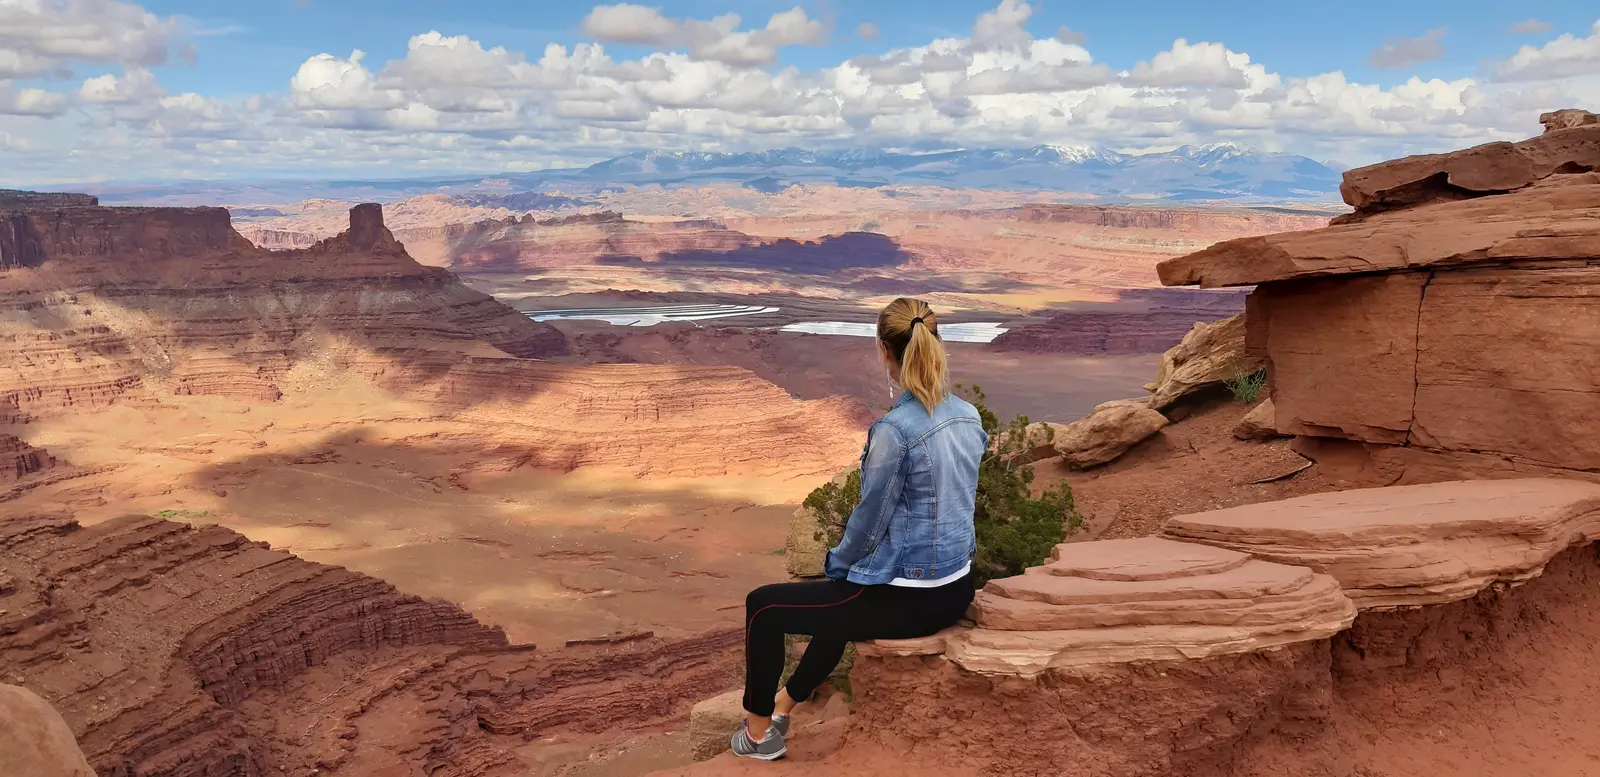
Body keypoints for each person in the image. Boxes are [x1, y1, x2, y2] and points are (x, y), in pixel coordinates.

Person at [730, 297, 987, 761]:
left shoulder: (896, 430)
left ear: (885, 352)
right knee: (848, 598)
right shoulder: (969, 415)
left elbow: (870, 520)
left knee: (763, 607)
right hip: (957, 586)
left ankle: (757, 732)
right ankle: (786, 706)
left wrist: (838, 562)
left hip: (914, 600)